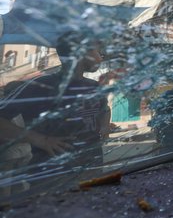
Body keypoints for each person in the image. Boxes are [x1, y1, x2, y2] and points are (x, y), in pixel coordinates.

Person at [0, 33, 110, 168]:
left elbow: (104, 109)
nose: (101, 56)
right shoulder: (40, 86)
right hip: (51, 172)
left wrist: (104, 128)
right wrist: (42, 140)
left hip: (92, 164)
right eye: (97, 51)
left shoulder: (94, 87)